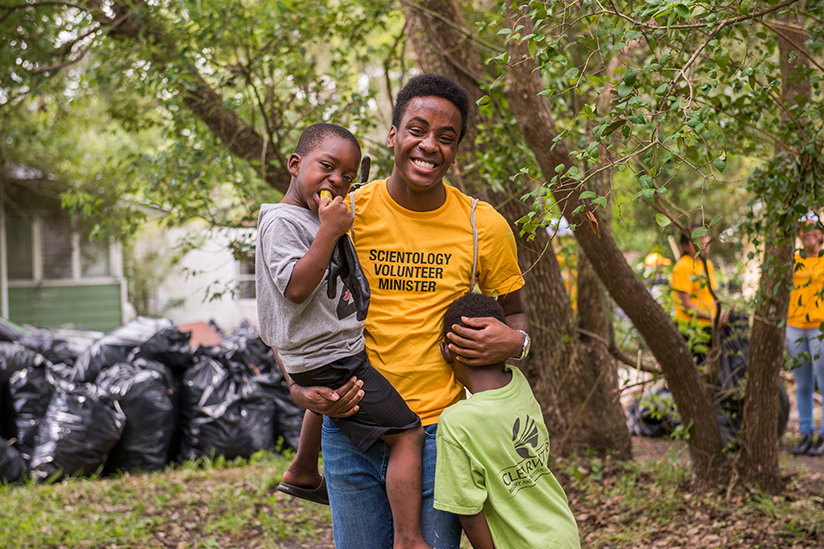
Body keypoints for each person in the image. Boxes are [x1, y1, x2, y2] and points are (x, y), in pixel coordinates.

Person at [283, 73, 529, 549]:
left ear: (456, 150)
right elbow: (286, 311)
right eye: (417, 129)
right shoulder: (346, 214)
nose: (429, 145)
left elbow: (515, 314)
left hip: (442, 436)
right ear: (393, 135)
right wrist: (298, 389)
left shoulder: (484, 226)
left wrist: (515, 342)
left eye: (446, 137)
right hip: (350, 429)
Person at [256, 122, 431, 549]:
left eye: (348, 177)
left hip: (329, 353)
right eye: (328, 168)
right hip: (332, 358)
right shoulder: (283, 222)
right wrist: (330, 229)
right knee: (408, 434)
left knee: (329, 400)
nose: (337, 181)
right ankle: (409, 538)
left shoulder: (311, 218)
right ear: (295, 165)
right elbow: (295, 288)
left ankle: (301, 469)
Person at [434, 292, 580, 549]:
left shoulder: (456, 422)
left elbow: (468, 511)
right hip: (562, 531)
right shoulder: (519, 384)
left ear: (447, 350)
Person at [786, 213, 824, 456]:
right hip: (795, 326)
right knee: (803, 384)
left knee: (823, 382)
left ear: (820, 232)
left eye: (811, 228)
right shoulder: (793, 260)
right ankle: (806, 432)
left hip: (820, 327)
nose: (806, 232)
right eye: (801, 228)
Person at [671, 225, 725, 365]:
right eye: (699, 238)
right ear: (686, 245)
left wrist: (721, 314)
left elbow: (712, 296)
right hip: (693, 330)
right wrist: (712, 317)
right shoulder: (683, 266)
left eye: (705, 237)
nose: (704, 242)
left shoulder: (707, 265)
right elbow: (685, 305)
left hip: (711, 327)